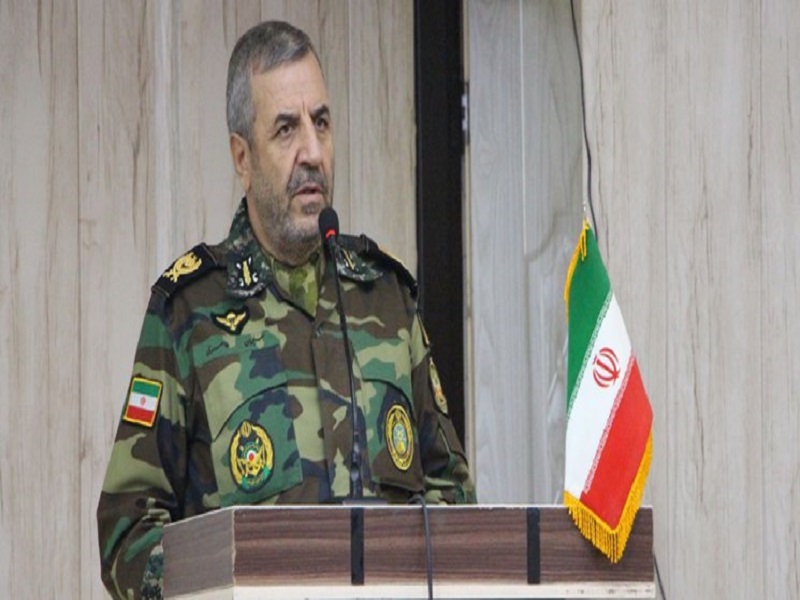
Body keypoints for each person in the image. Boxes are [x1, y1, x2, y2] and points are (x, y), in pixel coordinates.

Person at [96, 20, 475, 600]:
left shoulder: (387, 300)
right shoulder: (188, 312)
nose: (313, 153)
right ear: (242, 157)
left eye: (321, 122)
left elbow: (454, 498)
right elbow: (127, 535)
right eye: (286, 129)